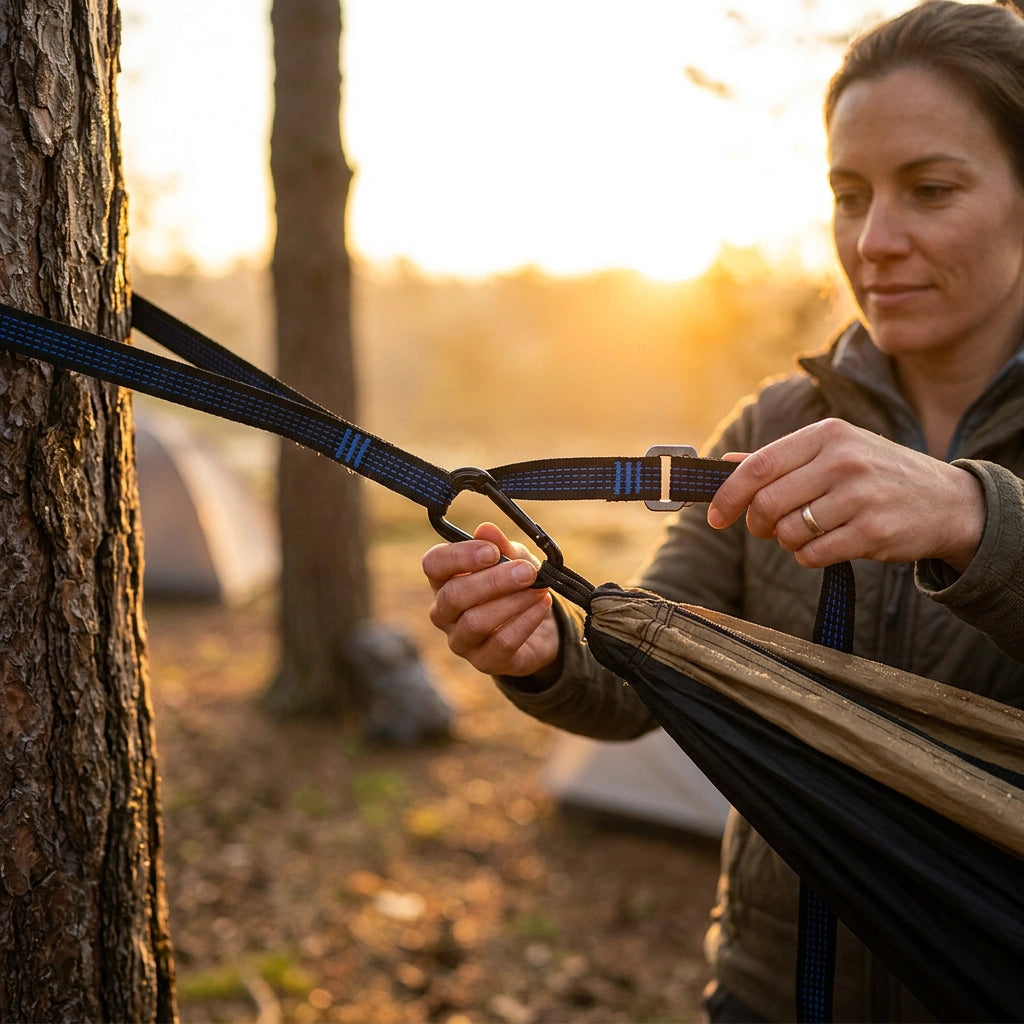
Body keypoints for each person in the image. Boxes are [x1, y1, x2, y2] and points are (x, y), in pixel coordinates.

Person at [421, 1, 1024, 1020]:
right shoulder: (776, 423)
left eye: (930, 190)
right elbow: (638, 682)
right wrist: (540, 652)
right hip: (770, 991)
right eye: (848, 196)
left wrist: (974, 518)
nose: (874, 240)